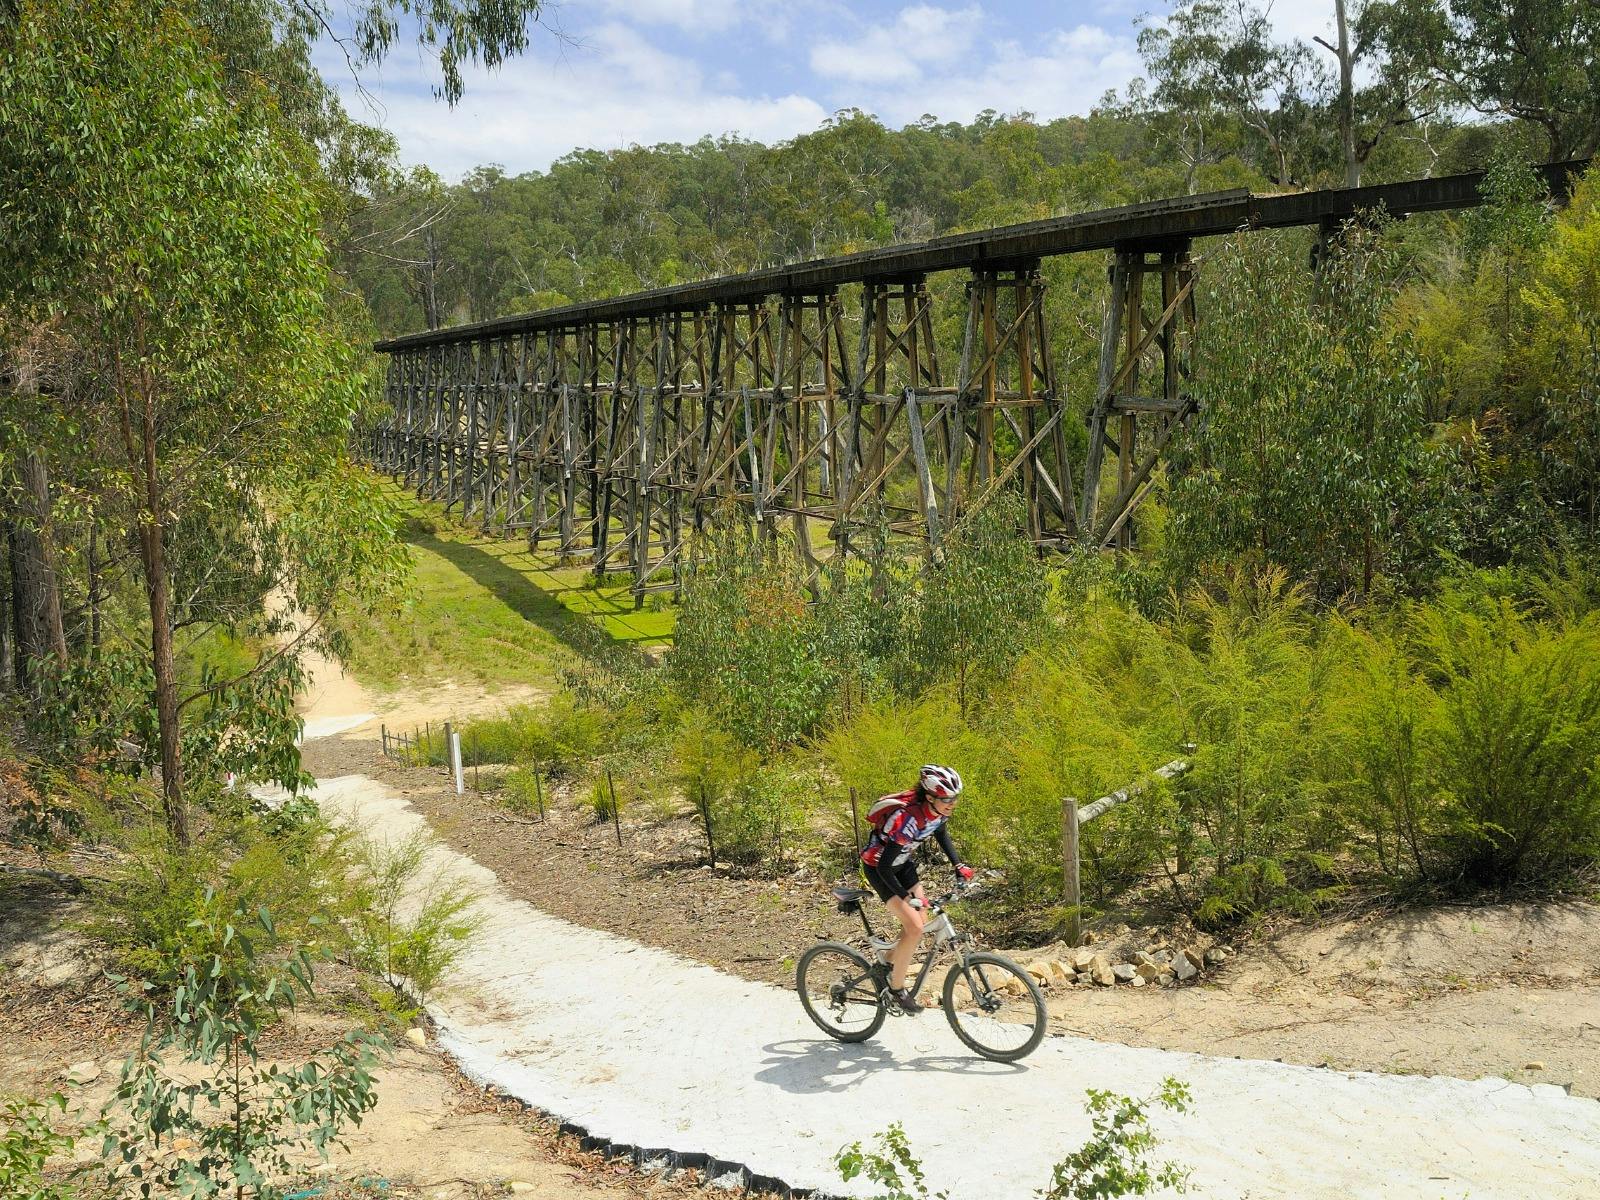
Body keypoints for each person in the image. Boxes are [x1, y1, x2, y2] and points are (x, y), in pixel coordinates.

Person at [859, 764, 974, 1013]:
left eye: (955, 798)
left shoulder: (937, 810)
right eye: (946, 799)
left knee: (920, 920)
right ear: (930, 797)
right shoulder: (908, 819)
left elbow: (940, 831)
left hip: (903, 863)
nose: (952, 804)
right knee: (914, 927)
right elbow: (884, 867)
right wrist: (905, 898)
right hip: (880, 867)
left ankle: (885, 969)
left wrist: (958, 864)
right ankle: (898, 990)